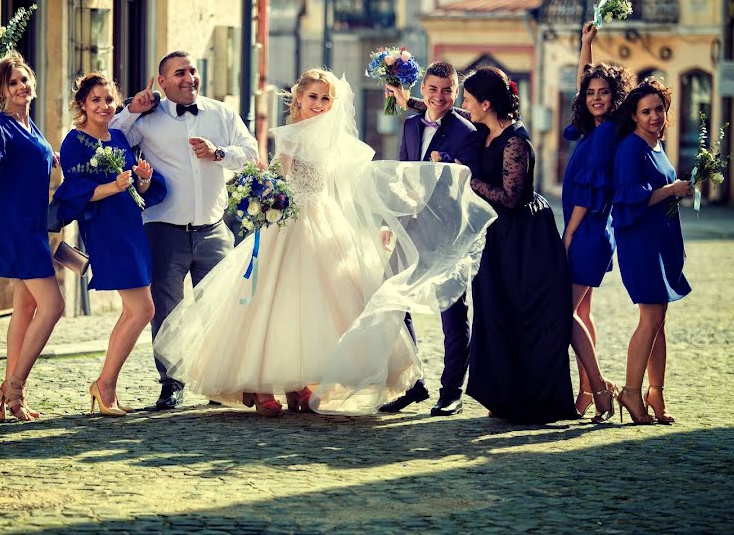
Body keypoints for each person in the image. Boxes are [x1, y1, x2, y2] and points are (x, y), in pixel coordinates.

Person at [151, 69, 496, 416]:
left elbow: (353, 182)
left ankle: (301, 382)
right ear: (298, 98)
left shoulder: (335, 140)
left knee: (322, 303)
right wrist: (265, 198)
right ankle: (263, 384)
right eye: (313, 96)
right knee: (279, 302)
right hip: (288, 222)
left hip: (325, 219)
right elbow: (278, 176)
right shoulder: (290, 136)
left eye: (325, 98)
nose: (318, 104)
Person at [110, 51, 259, 411]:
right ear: (162, 81)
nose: (189, 78)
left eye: (192, 71)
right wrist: (133, 109)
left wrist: (219, 153)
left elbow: (252, 153)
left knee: (220, 310)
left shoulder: (220, 113)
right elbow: (112, 135)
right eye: (179, 73)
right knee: (166, 312)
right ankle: (171, 383)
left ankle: (216, 383)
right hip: (164, 230)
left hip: (213, 230)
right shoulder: (145, 120)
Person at [461, 66, 578, 423]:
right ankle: (502, 395)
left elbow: (511, 197)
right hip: (496, 237)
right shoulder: (482, 129)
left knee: (522, 315)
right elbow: (444, 113)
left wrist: (468, 180)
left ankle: (531, 400)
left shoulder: (515, 141)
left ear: (486, 103)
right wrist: (408, 100)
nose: (463, 107)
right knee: (493, 313)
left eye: (468, 100)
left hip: (523, 240)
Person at [52, 73, 167, 416]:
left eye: (108, 100)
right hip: (105, 230)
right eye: (96, 100)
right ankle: (104, 385)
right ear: (83, 105)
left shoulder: (118, 137)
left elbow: (135, 188)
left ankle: (106, 388)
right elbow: (76, 192)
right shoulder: (74, 141)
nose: (103, 106)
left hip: (131, 226)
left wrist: (142, 180)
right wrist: (112, 187)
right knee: (143, 309)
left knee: (136, 310)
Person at [379, 62, 481, 416]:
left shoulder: (468, 132)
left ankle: (451, 391)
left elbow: (470, 189)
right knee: (394, 301)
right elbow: (403, 174)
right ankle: (413, 383)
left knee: (452, 312)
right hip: (410, 229)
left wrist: (447, 164)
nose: (440, 97)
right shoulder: (409, 125)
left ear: (456, 92)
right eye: (434, 89)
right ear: (422, 89)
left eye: (448, 90)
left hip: (448, 234)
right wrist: (392, 219)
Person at [0, 52, 64, 422]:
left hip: (33, 225)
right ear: (3, 92)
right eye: (13, 83)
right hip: (16, 227)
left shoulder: (30, 126)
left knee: (25, 309)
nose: (22, 87)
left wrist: (50, 156)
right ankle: (16, 385)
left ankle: (14, 397)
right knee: (53, 307)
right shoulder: (1, 123)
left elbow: (29, 159)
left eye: (25, 80)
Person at [561, 22, 636, 421]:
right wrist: (586, 45)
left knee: (564, 312)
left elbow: (589, 192)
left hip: (585, 231)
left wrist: (568, 235)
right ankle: (586, 392)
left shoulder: (607, 134)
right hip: (595, 234)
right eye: (591, 93)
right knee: (582, 314)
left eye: (603, 92)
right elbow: (582, 87)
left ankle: (601, 387)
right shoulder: (595, 128)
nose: (594, 98)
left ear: (615, 97)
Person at [612, 79, 692, 424]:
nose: (654, 116)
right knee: (651, 318)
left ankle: (655, 393)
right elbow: (630, 195)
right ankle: (631, 391)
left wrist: (677, 190)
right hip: (640, 242)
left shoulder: (657, 145)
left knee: (660, 320)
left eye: (659, 109)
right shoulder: (631, 148)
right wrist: (672, 188)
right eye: (646, 111)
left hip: (660, 240)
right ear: (634, 115)